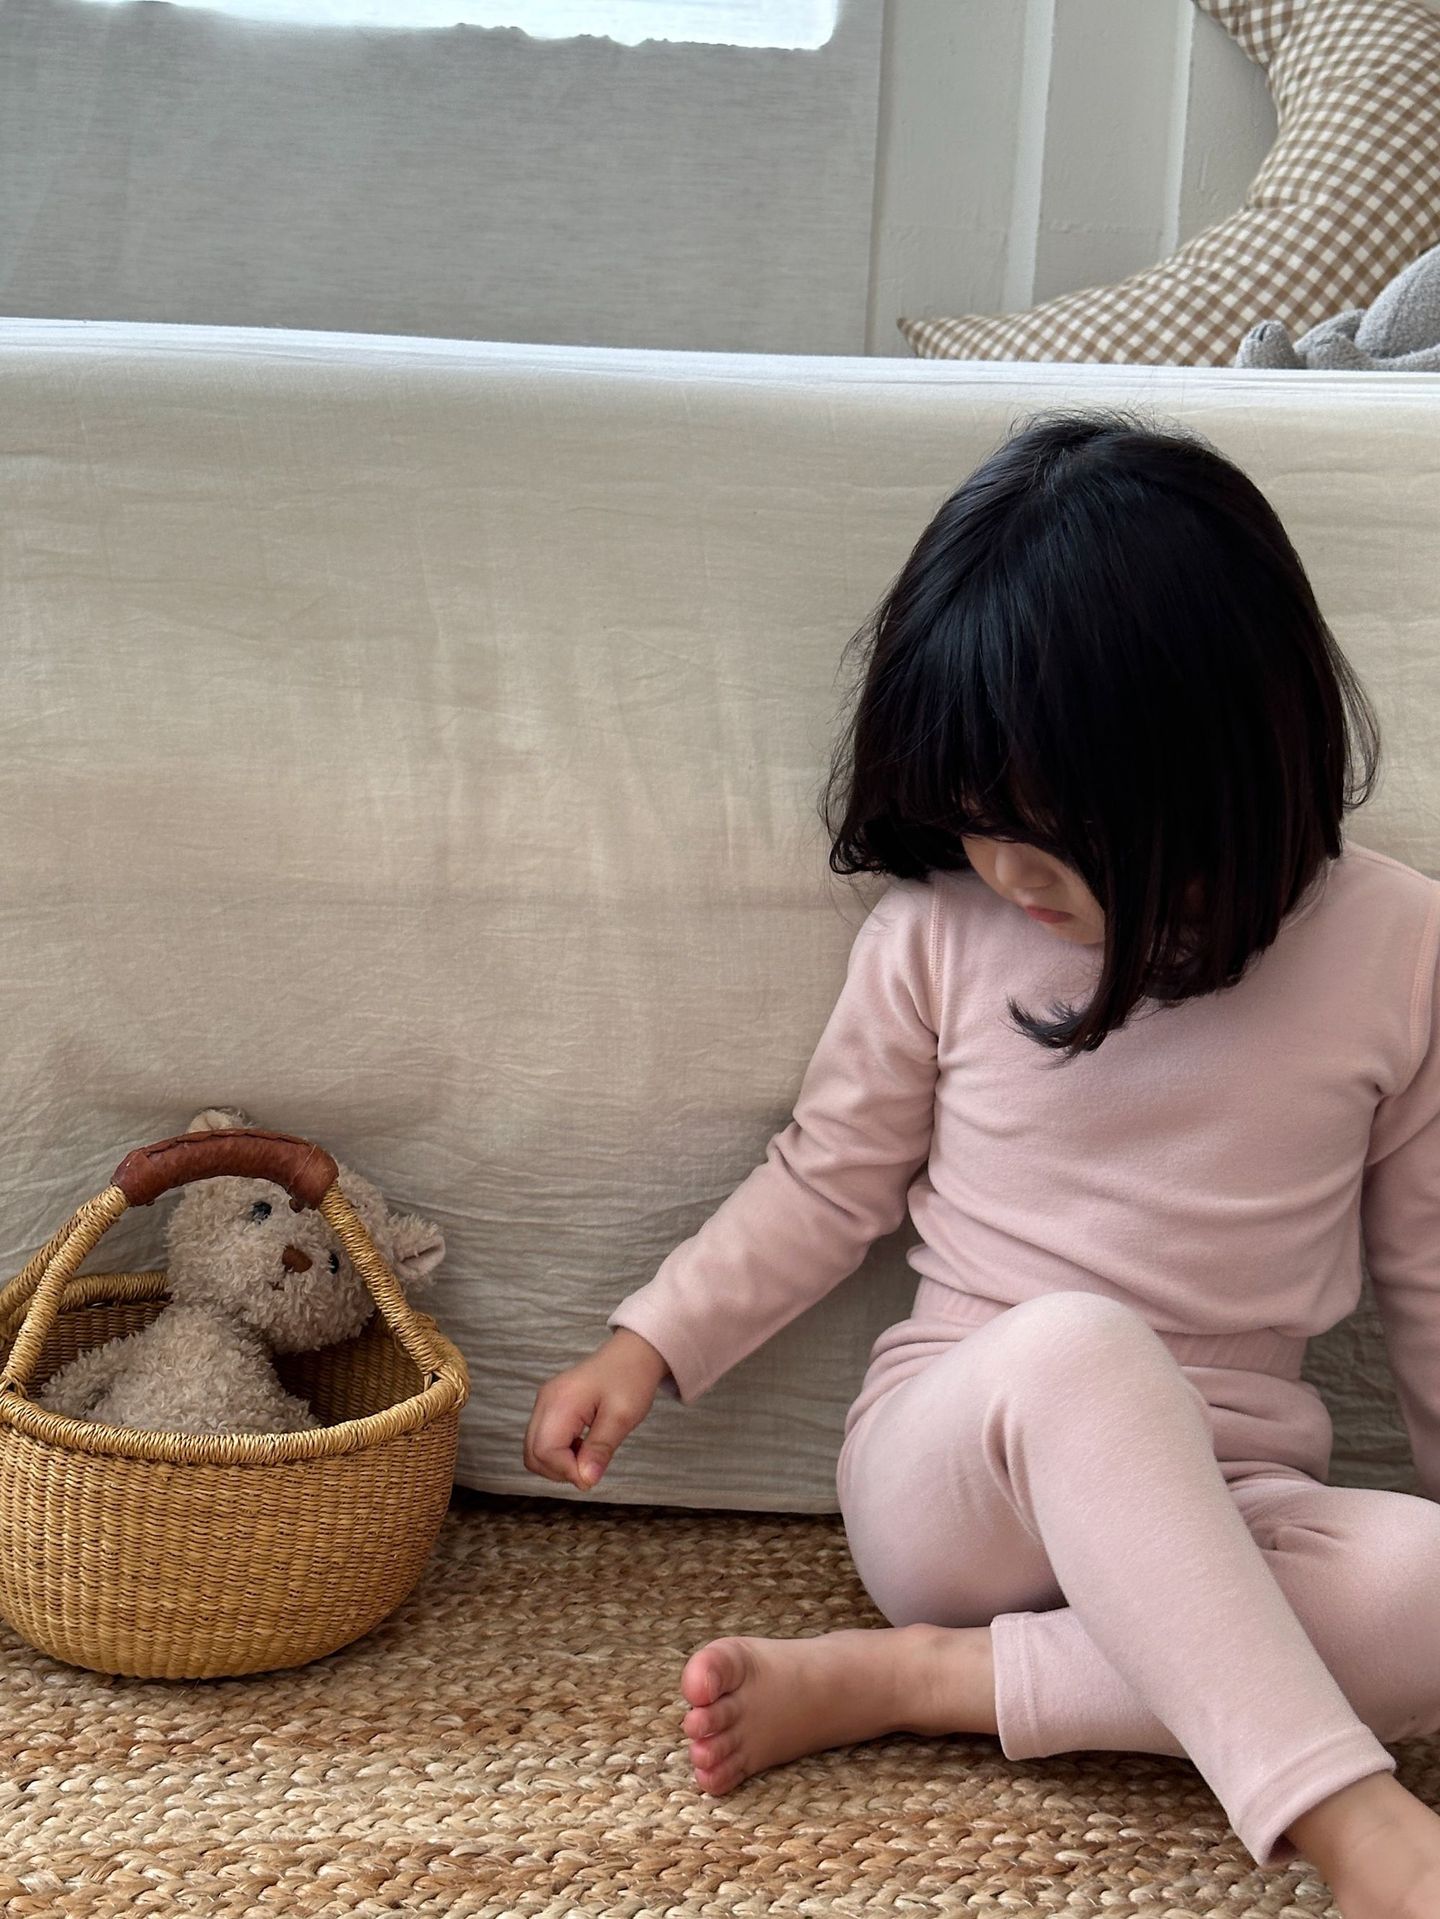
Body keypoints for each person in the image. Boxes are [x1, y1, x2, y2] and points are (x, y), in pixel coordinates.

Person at [523, 410, 1440, 1918]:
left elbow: (1426, 1275)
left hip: (1235, 1493)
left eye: (1054, 829)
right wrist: (651, 1341)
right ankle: (1353, 1826)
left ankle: (924, 1683)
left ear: (1216, 760)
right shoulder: (939, 937)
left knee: (1429, 1597)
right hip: (961, 1470)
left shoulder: (1398, 946)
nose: (1005, 869)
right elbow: (827, 1180)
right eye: (977, 820)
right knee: (1084, 1345)